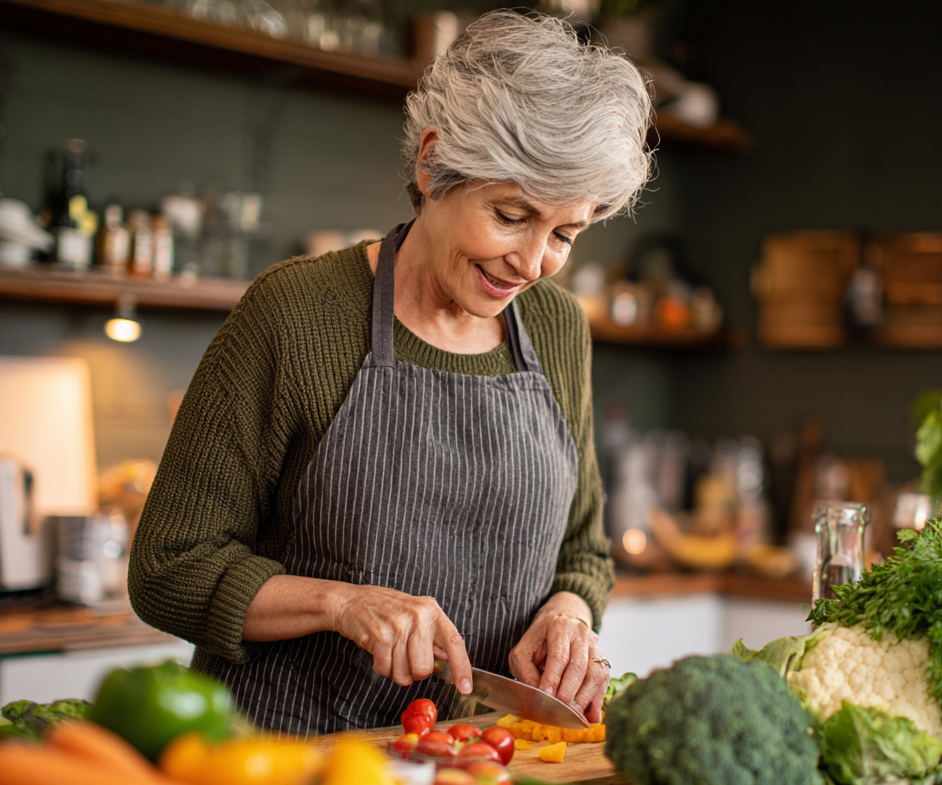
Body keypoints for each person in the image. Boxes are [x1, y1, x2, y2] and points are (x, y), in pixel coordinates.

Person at [128, 10, 655, 734]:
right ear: (432, 164)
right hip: (285, 764)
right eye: (510, 215)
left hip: (478, 758)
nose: (533, 263)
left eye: (565, 234)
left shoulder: (558, 329)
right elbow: (168, 569)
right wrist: (341, 604)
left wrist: (569, 612)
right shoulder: (295, 312)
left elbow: (582, 548)